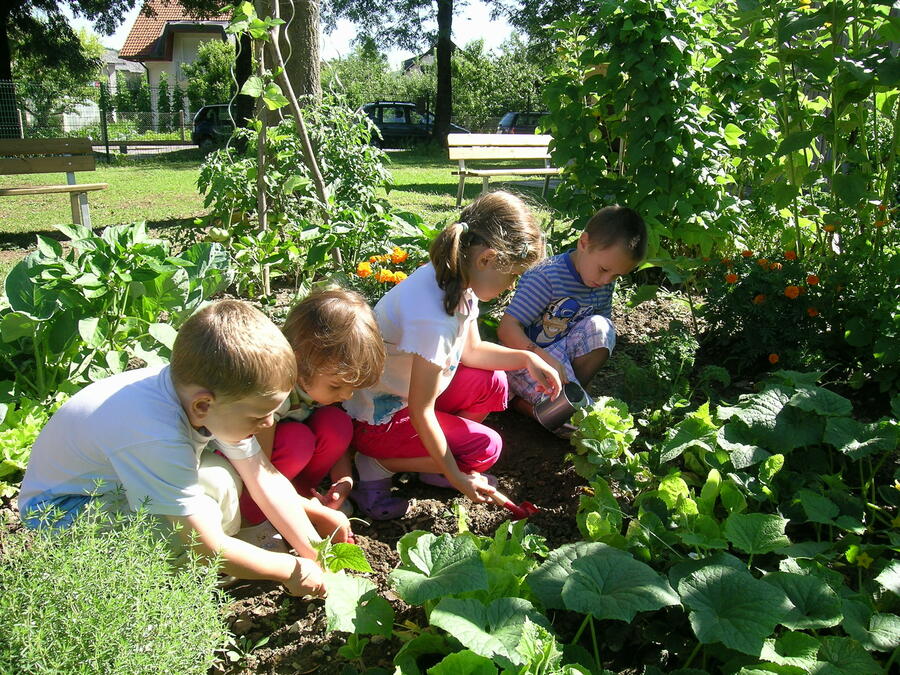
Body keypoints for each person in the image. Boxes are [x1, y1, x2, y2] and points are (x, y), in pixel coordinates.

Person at [18, 299, 348, 598]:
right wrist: (288, 570)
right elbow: (201, 543)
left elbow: (263, 478)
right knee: (186, 534)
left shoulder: (209, 396)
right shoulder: (156, 433)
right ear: (203, 405)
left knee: (219, 481)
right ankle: (149, 589)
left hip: (112, 489)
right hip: (63, 516)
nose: (267, 423)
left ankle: (215, 563)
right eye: (258, 415)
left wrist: (316, 550)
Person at [344, 190, 562, 520]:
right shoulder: (434, 319)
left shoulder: (454, 278)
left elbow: (472, 352)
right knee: (486, 448)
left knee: (494, 384)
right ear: (487, 259)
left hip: (401, 395)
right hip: (378, 419)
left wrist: (528, 358)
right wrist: (459, 478)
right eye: (512, 276)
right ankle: (379, 463)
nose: (511, 286)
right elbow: (421, 411)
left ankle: (431, 462)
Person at [238, 288, 385, 539]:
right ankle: (254, 519)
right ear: (299, 361)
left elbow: (336, 444)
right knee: (298, 441)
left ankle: (303, 495)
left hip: (277, 471)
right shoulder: (271, 394)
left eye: (353, 387)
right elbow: (257, 469)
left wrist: (343, 479)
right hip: (248, 473)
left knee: (337, 424)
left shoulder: (314, 379)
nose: (347, 395)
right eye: (336, 386)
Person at [498, 205, 647, 423]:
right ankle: (518, 402)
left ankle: (569, 399)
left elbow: (596, 334)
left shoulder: (601, 283)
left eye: (616, 276)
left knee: (601, 328)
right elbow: (507, 329)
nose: (606, 281)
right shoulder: (546, 276)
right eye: (604, 270)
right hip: (524, 360)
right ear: (584, 243)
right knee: (568, 421)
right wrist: (541, 356)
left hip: (560, 357)